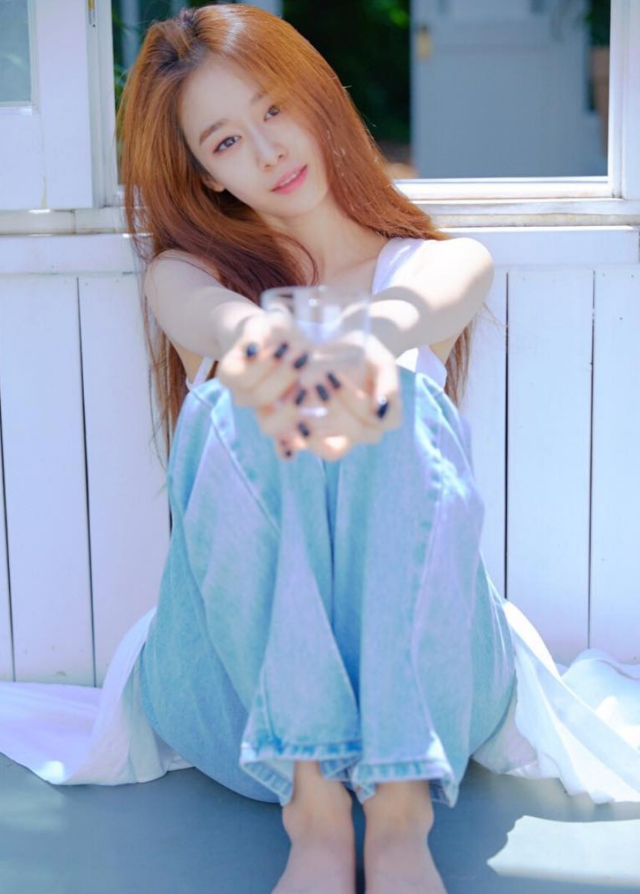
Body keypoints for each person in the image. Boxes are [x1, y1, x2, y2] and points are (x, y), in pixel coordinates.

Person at [0, 6, 637, 894]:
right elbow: (217, 323)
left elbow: (415, 308)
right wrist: (268, 350)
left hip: (430, 694)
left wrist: (364, 345)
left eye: (274, 108)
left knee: (389, 391)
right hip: (236, 703)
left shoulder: (435, 263)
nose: (267, 151)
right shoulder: (188, 276)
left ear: (315, 96)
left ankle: (400, 814)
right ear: (207, 175)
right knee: (239, 393)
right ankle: (316, 811)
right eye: (226, 141)